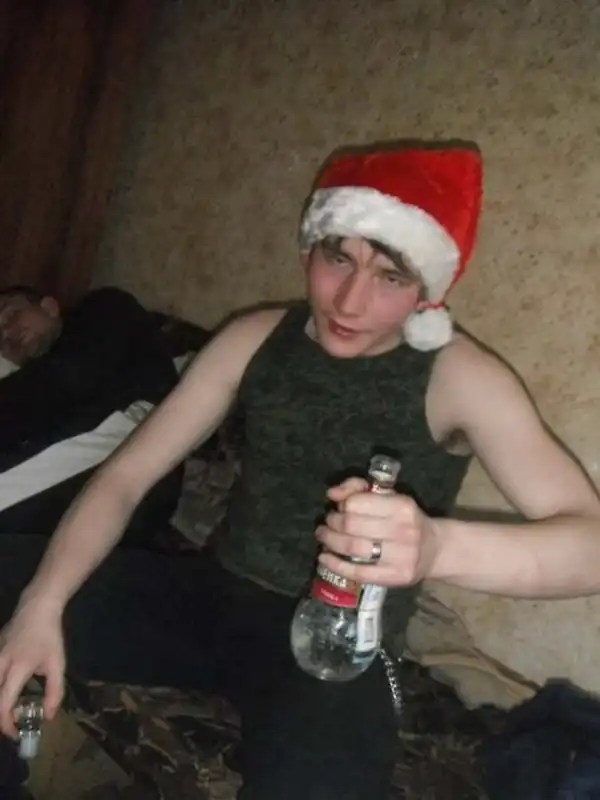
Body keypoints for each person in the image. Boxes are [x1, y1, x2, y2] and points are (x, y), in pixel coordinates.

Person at [0, 143, 598, 800]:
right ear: (309, 250)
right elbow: (125, 478)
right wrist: (42, 603)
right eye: (338, 258)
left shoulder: (460, 377)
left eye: (390, 277)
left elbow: (590, 546)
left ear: (427, 290)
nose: (350, 301)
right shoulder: (254, 338)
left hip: (339, 650)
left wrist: (439, 546)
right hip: (210, 598)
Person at [0, 285, 182, 543]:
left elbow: (68, 378)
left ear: (49, 306)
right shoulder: (33, 382)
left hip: (139, 437)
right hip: (85, 479)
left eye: (10, 316)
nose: (7, 334)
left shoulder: (104, 306)